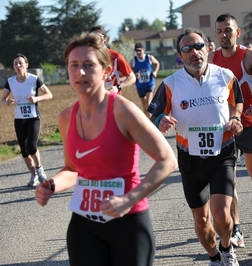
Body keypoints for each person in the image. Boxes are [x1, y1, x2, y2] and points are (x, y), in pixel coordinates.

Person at [34, 32, 177, 266]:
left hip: (128, 223)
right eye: (74, 65)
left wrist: (129, 199)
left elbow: (167, 160)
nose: (80, 72)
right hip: (84, 225)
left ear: (107, 71)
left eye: (89, 65)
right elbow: (72, 169)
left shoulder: (123, 111)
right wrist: (52, 185)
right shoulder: (66, 117)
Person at [148, 27, 243, 266]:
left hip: (222, 153)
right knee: (201, 220)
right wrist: (161, 119)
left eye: (199, 46)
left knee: (221, 214)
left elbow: (237, 102)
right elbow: (152, 115)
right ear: (180, 55)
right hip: (190, 158)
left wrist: (236, 119)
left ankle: (226, 248)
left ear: (208, 48)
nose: (194, 52)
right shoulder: (170, 83)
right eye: (187, 49)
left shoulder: (225, 76)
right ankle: (213, 258)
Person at [209, 13, 252, 248]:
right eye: (219, 31)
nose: (224, 35)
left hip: (247, 125)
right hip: (223, 129)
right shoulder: (210, 58)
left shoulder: (248, 56)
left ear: (238, 32)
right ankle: (236, 229)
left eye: (228, 30)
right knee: (230, 181)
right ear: (215, 35)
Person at [1, 53, 53, 186]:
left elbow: (49, 94)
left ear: (26, 65)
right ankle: (33, 176)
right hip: (19, 119)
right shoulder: (11, 82)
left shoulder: (34, 79)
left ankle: (39, 168)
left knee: (31, 146)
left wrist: (37, 98)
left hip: (33, 117)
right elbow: (3, 99)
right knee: (24, 150)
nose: (18, 66)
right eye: (15, 64)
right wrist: (6, 102)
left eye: (20, 63)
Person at [89, 25, 135, 94]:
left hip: (114, 99)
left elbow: (132, 77)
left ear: (105, 39)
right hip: (96, 99)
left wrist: (118, 87)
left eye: (98, 36)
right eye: (93, 37)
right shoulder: (87, 58)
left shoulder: (116, 56)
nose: (96, 40)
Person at [130, 42, 160, 117]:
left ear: (144, 50)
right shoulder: (133, 61)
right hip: (140, 85)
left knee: (148, 102)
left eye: (140, 50)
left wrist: (155, 72)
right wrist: (134, 74)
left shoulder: (149, 58)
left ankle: (150, 121)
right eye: (137, 51)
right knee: (144, 105)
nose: (138, 52)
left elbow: (157, 63)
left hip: (150, 84)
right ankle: (146, 119)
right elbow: (129, 70)